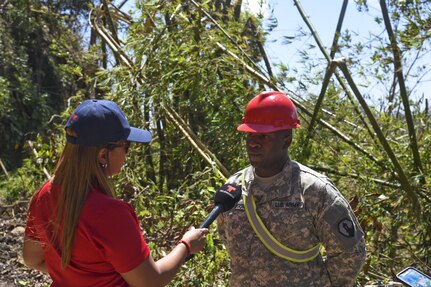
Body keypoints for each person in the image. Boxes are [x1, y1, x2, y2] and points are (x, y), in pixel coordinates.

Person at [23, 99, 208, 287]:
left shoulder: (43, 196)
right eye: (126, 146)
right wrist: (186, 246)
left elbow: (32, 259)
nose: (128, 153)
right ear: (103, 154)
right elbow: (151, 281)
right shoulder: (111, 213)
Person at [217, 91, 366, 286]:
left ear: (286, 140)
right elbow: (225, 238)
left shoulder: (314, 191)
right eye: (250, 135)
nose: (253, 143)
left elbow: (350, 252)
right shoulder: (234, 188)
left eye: (264, 136)